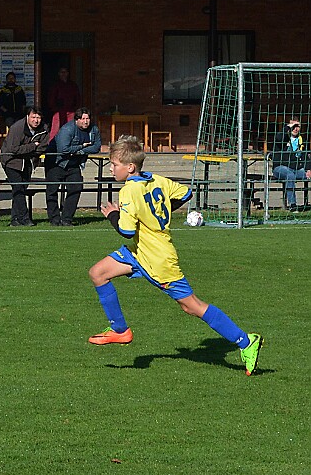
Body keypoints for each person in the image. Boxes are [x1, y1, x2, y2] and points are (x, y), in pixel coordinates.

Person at [87, 135, 263, 376]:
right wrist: (157, 212)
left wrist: (112, 214)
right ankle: (120, 330)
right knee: (98, 273)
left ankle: (246, 341)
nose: (111, 168)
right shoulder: (157, 180)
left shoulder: (129, 191)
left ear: (130, 167)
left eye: (114, 164)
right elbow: (185, 194)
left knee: (191, 306)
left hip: (158, 261)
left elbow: (126, 231)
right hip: (139, 252)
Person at [44, 106, 101, 226]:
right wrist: (82, 146)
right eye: (83, 119)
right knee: (52, 191)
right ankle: (54, 220)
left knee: (75, 188)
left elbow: (96, 147)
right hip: (56, 162)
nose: (86, 121)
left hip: (74, 163)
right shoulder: (67, 129)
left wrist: (79, 151)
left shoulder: (93, 129)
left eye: (88, 118)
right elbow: (63, 150)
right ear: (77, 120)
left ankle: (67, 219)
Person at [0, 106, 50, 226]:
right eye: (33, 117)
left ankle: (14, 220)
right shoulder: (17, 128)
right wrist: (32, 146)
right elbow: (13, 149)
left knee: (21, 190)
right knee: (18, 189)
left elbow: (43, 147)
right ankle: (25, 218)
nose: (36, 120)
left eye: (38, 117)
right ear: (28, 117)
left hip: (28, 162)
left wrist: (32, 150)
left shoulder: (44, 129)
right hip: (11, 161)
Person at [271, 119, 311, 210]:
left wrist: (308, 169)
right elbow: (278, 138)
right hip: (280, 168)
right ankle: (292, 205)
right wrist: (288, 127)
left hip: (296, 169)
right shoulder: (283, 138)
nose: (296, 129)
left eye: (298, 126)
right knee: (290, 175)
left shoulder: (302, 140)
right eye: (294, 126)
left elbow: (306, 155)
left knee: (300, 174)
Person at [46, 67, 81, 140]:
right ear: (59, 74)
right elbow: (51, 99)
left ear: (68, 73)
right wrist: (55, 109)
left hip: (71, 111)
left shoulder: (72, 85)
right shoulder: (55, 85)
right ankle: (52, 146)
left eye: (65, 72)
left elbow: (77, 98)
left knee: (71, 130)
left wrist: (75, 110)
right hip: (59, 112)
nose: (63, 74)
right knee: (55, 130)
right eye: (62, 72)